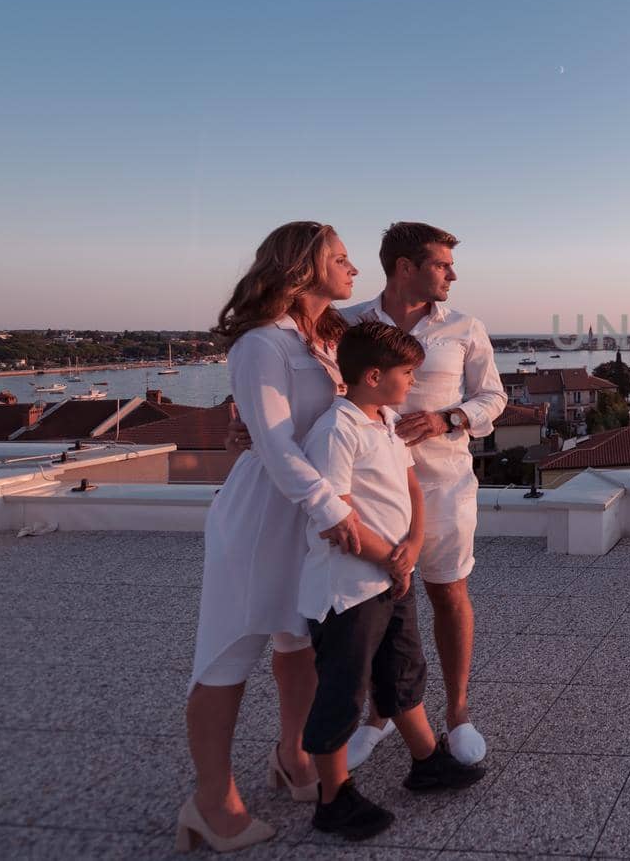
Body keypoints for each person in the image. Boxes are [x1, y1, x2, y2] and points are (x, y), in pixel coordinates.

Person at [178, 222, 362, 854]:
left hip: (308, 517)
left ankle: (293, 757)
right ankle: (210, 800)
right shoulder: (261, 345)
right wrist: (332, 512)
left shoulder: (327, 340)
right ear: (301, 266)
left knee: (298, 643)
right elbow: (276, 445)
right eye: (340, 258)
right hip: (267, 516)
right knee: (229, 653)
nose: (353, 267)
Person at [300, 322, 484, 841]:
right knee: (343, 688)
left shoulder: (384, 419)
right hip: (350, 588)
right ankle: (332, 797)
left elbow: (412, 487)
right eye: (407, 373)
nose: (413, 382)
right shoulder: (337, 430)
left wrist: (412, 546)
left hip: (389, 576)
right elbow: (336, 513)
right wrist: (392, 559)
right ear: (374, 375)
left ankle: (428, 761)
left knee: (402, 670)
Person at [342, 222, 507, 767]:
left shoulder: (465, 326)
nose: (452, 275)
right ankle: (381, 715)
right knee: (373, 605)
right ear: (405, 267)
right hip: (368, 491)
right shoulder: (345, 322)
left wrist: (450, 417)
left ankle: (457, 712)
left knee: (448, 593)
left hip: (443, 485)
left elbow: (493, 398)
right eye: (442, 264)